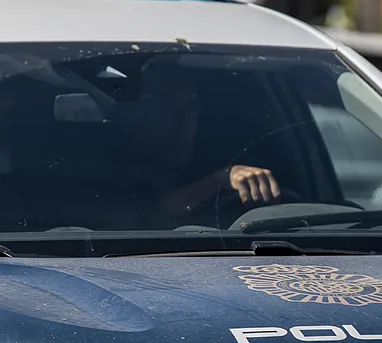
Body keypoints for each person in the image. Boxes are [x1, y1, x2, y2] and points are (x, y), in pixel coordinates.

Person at [116, 60, 280, 227]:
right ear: (133, 115)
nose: (182, 122)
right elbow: (145, 218)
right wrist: (214, 183)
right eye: (165, 107)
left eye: (190, 106)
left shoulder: (210, 165)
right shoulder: (104, 178)